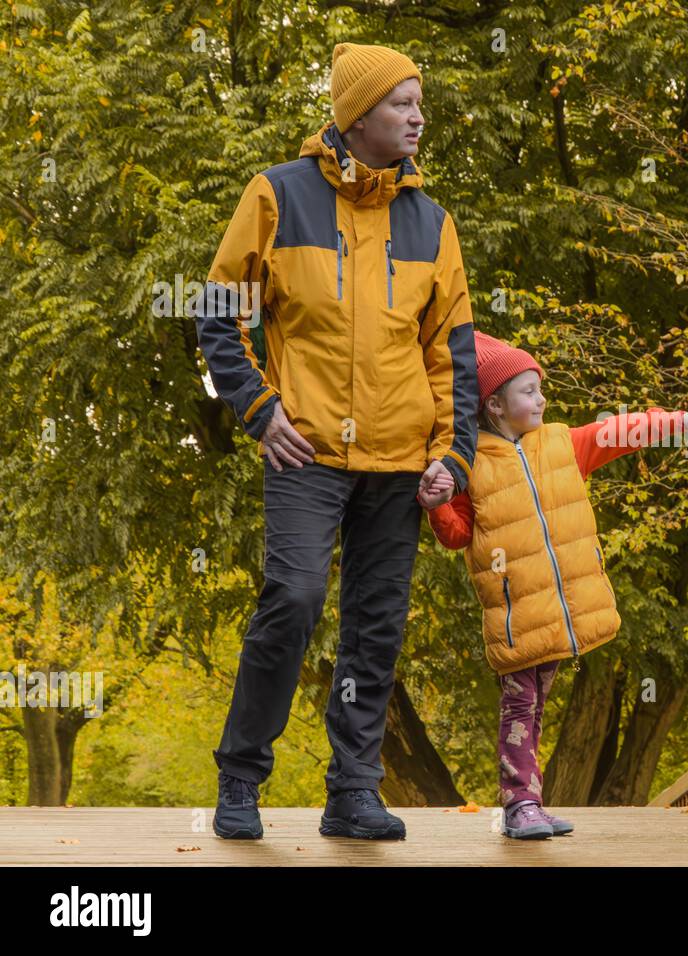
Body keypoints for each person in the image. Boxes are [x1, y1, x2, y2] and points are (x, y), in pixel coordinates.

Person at [196, 42, 479, 840]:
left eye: (419, 103)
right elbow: (218, 314)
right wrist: (257, 408)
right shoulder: (277, 194)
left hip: (401, 463)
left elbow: (451, 352)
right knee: (293, 598)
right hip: (306, 452)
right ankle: (241, 778)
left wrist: (451, 457)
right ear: (358, 116)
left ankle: (353, 790)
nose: (418, 116)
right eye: (402, 103)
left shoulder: (433, 222)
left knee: (377, 624)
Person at [423, 332, 688, 838]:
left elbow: (625, 430)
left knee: (536, 707)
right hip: (516, 614)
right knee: (521, 708)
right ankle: (520, 803)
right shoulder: (469, 463)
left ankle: (531, 803)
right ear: (494, 405)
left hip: (560, 610)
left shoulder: (563, 443)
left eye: (539, 388)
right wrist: (436, 503)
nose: (541, 398)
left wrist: (682, 422)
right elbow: (456, 536)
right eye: (528, 391)